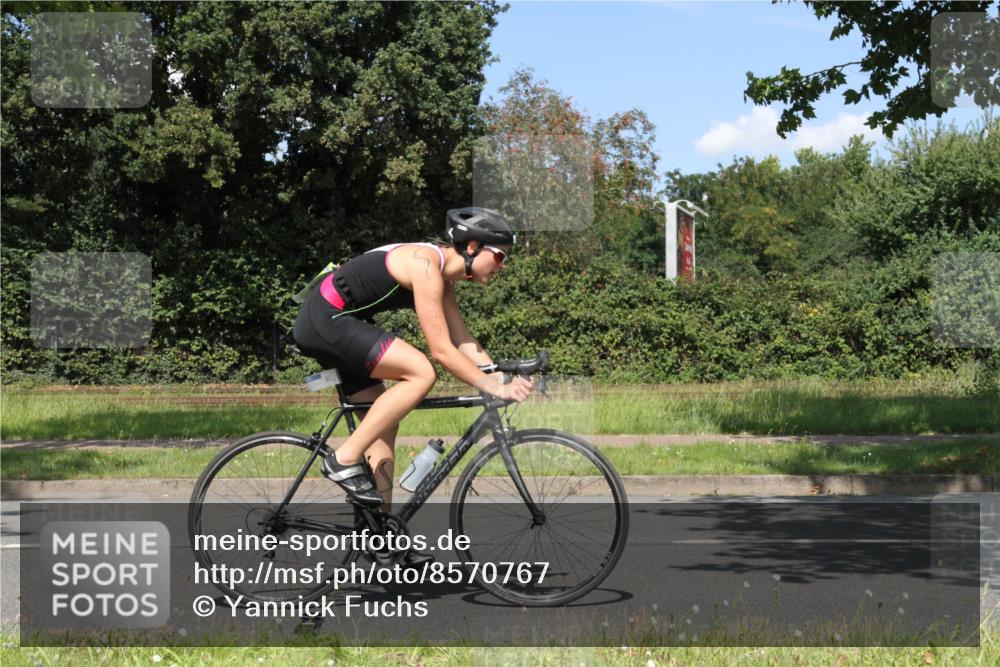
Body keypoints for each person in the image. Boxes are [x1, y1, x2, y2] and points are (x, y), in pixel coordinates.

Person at [293, 207, 533, 511]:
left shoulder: (442, 277)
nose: (503, 266)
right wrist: (492, 387)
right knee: (422, 372)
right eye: (500, 256)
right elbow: (442, 351)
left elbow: (462, 340)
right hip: (325, 319)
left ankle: (381, 535)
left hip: (339, 321)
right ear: (472, 246)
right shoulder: (425, 265)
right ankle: (342, 459)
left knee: (383, 426)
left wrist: (500, 377)